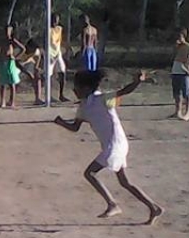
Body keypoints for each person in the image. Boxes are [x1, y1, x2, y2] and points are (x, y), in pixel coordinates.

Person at [54, 70, 163, 225]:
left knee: (90, 173)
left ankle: (113, 204)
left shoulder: (103, 99)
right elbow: (75, 127)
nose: (74, 90)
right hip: (112, 145)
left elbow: (124, 91)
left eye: (76, 87)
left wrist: (137, 82)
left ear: (86, 88)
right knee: (125, 182)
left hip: (116, 144)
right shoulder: (83, 106)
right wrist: (61, 123)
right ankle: (153, 207)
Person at [170, 28, 189, 121]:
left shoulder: (188, 46)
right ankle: (178, 111)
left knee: (186, 93)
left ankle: (187, 113)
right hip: (175, 71)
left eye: (179, 36)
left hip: (183, 72)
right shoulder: (178, 47)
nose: (177, 38)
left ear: (184, 36)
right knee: (176, 93)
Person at [0, 24, 25, 109]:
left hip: (10, 62)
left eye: (8, 30)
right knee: (3, 83)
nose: (7, 32)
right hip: (2, 62)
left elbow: (23, 49)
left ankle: (12, 102)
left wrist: (15, 57)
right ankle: (2, 102)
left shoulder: (12, 40)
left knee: (12, 82)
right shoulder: (1, 40)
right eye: (6, 30)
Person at [48, 13, 69, 101]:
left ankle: (61, 94)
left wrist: (65, 48)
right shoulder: (48, 30)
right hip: (50, 54)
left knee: (62, 71)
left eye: (56, 20)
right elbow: (45, 43)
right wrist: (47, 54)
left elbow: (59, 40)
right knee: (49, 74)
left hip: (57, 53)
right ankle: (49, 95)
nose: (55, 22)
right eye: (53, 20)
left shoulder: (59, 28)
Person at [19, 38, 44, 105]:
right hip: (19, 66)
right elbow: (18, 63)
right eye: (33, 48)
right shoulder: (22, 52)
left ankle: (38, 99)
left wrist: (36, 67)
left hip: (28, 63)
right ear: (29, 47)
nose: (34, 50)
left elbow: (38, 57)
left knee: (37, 77)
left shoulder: (36, 51)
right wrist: (28, 73)